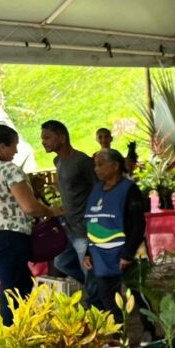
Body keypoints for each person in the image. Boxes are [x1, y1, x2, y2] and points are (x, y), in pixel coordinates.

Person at [0, 125, 62, 325]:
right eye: (14, 146)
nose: (16, 151)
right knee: (14, 288)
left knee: (17, 283)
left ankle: (20, 331)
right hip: (12, 235)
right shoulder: (9, 169)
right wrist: (51, 211)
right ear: (1, 147)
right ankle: (14, 336)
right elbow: (29, 207)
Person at [42, 119, 103, 308]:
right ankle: (99, 288)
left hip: (85, 229)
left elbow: (99, 190)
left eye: (47, 137)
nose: (43, 142)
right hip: (68, 227)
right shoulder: (57, 161)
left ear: (62, 137)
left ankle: (99, 311)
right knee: (62, 262)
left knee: (88, 271)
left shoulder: (82, 161)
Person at [82, 148, 146, 323]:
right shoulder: (96, 189)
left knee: (138, 294)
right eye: (95, 165)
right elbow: (94, 221)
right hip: (101, 254)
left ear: (116, 166)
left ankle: (150, 332)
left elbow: (138, 225)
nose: (96, 169)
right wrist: (89, 252)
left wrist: (128, 254)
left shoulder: (129, 189)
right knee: (107, 295)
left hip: (126, 253)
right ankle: (118, 333)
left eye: (101, 164)